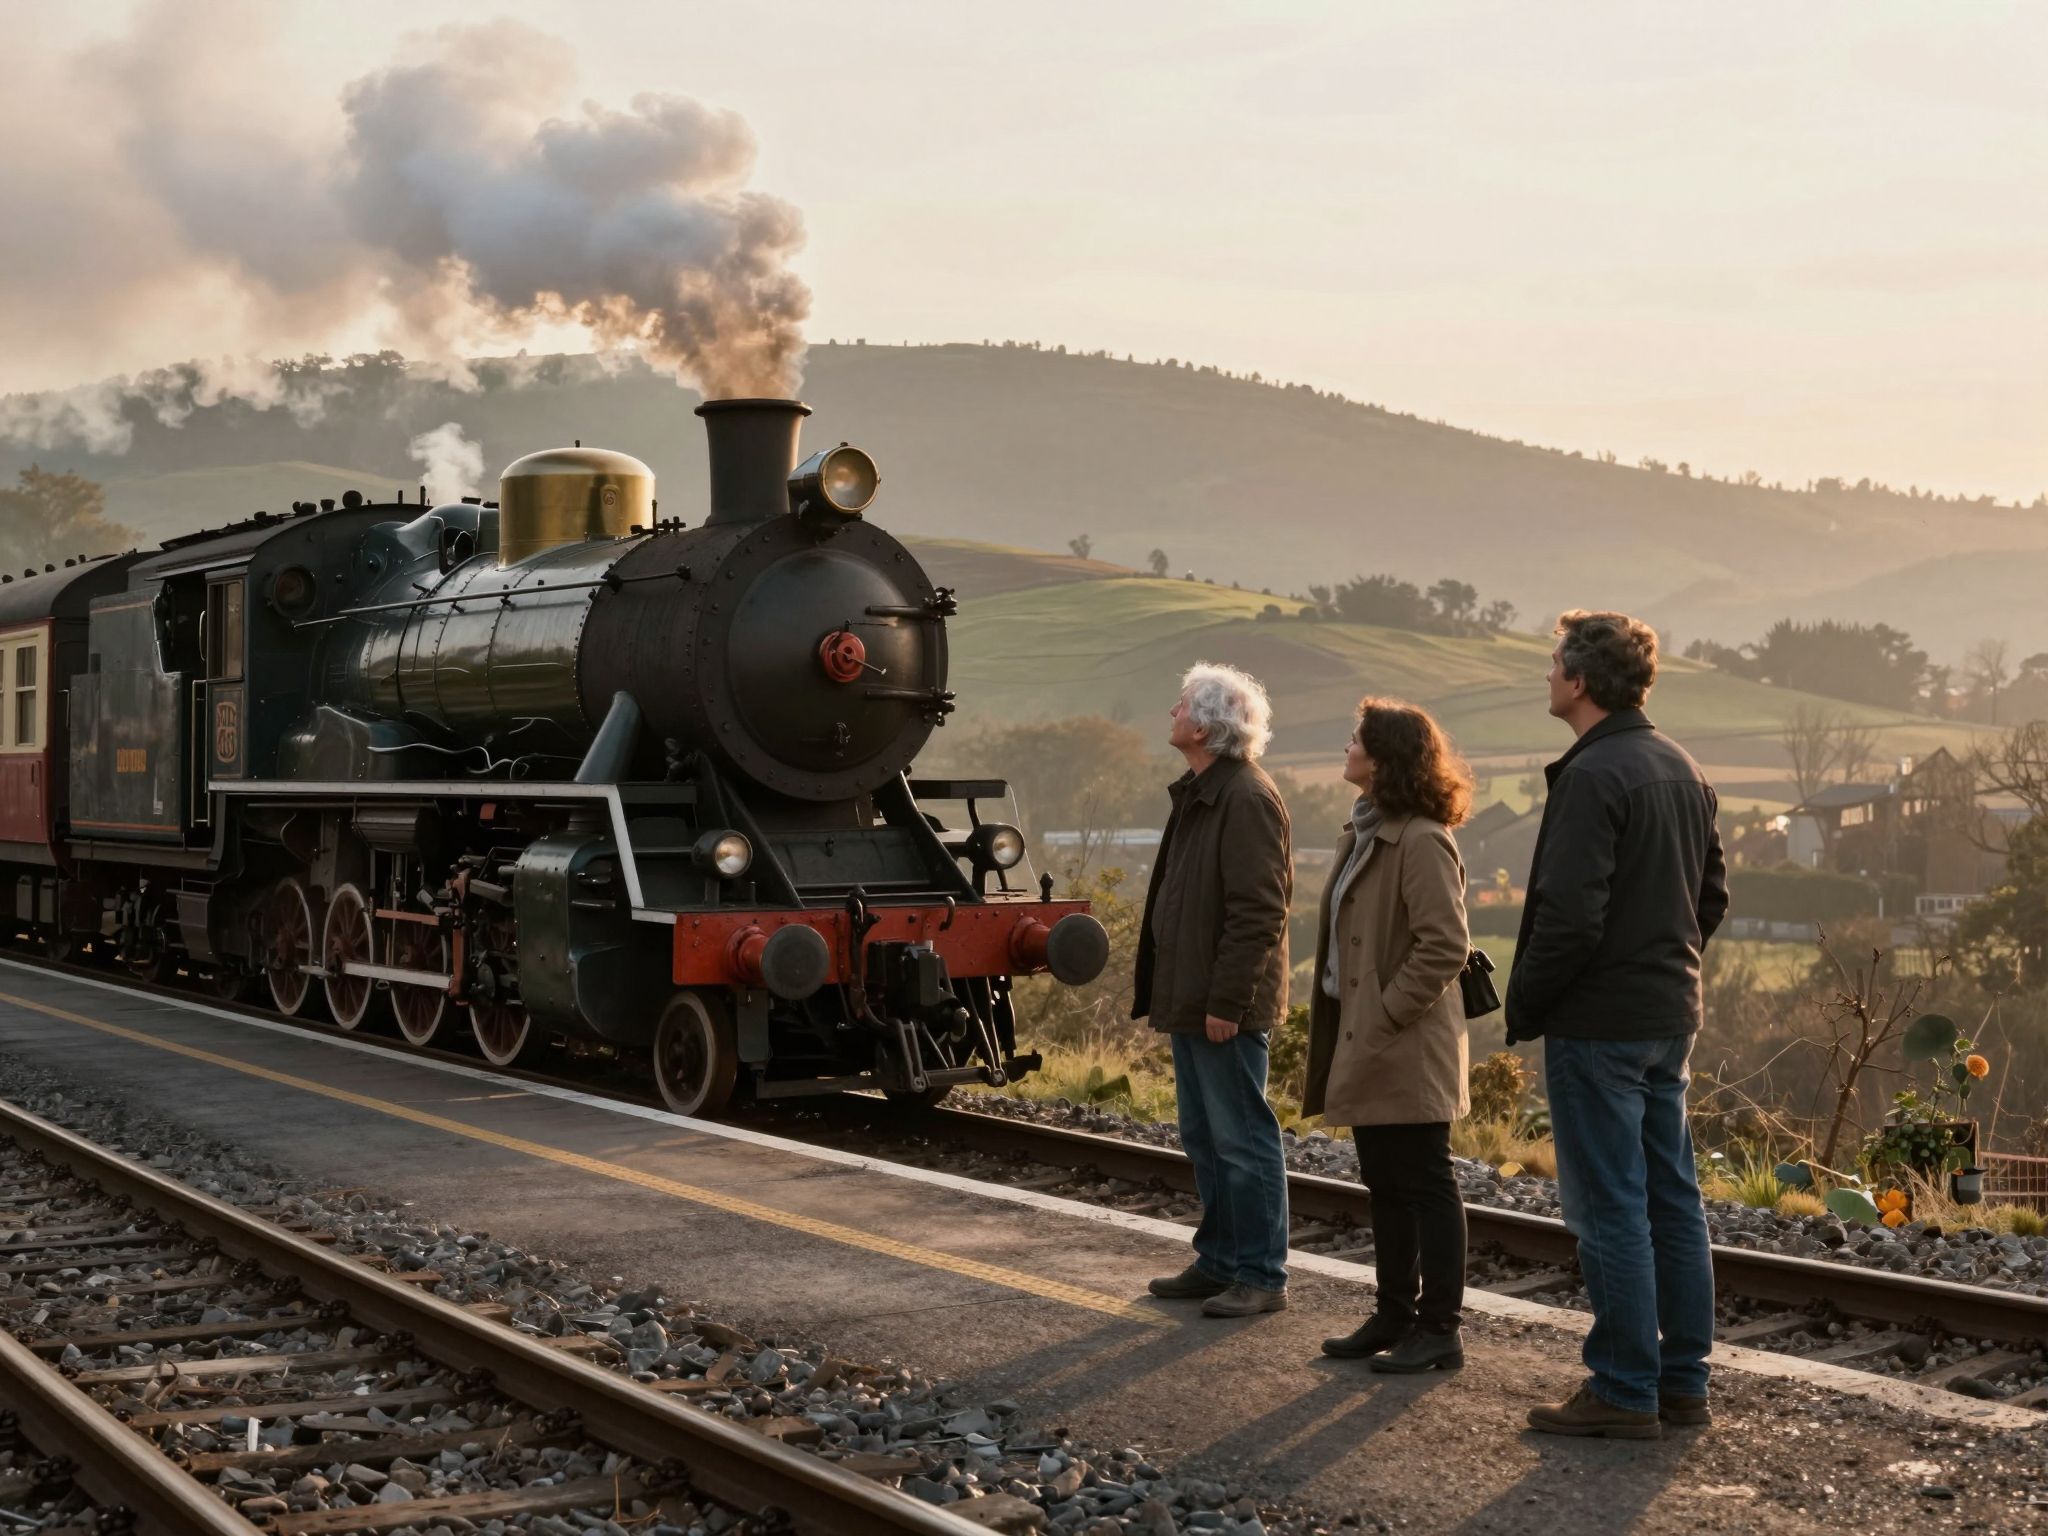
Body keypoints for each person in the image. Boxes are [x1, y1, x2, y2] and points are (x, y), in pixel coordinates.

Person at [1508, 611, 1728, 1438]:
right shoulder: (1683, 766)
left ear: (1582, 680)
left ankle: (1623, 1390)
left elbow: (1568, 918)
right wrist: (1663, 966)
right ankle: (1683, 1385)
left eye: (1554, 661)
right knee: (1671, 1197)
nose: (1547, 673)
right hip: (1668, 1015)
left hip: (1598, 1023)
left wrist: (1528, 1004)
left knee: (1608, 1206)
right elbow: (1712, 900)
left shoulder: (1595, 776)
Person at [1302, 698, 1473, 1373]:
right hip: (1367, 1036)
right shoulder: (1366, 830)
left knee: (1426, 1180)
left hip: (1404, 1041)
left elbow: (1443, 946)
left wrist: (1384, 1014)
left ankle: (1440, 1328)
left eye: (1357, 739)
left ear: (1385, 758)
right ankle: (1395, 1313)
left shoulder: (1423, 839)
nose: (1347, 746)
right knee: (1383, 1178)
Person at [1134, 661, 1294, 1317]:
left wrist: (1227, 1002)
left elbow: (1259, 912)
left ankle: (1261, 1274)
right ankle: (1220, 1261)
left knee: (1242, 1141)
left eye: (1179, 707)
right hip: (1194, 998)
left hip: (1222, 1005)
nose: (1171, 714)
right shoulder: (1204, 791)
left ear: (1204, 724)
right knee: (1206, 1138)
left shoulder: (1246, 799)